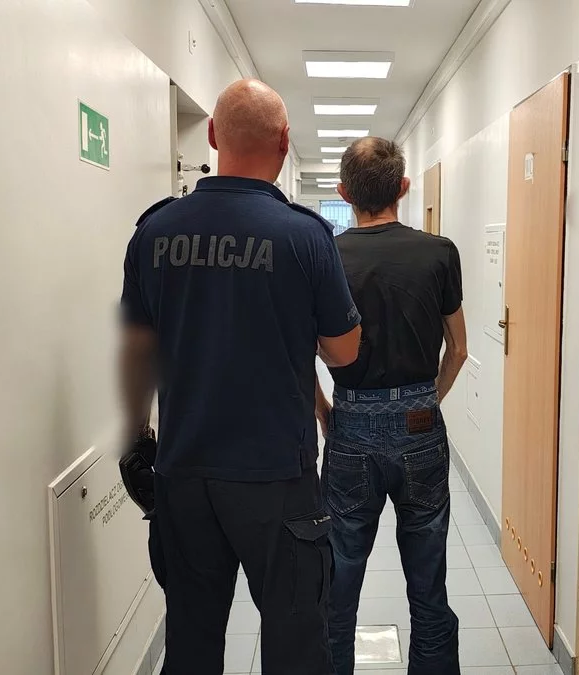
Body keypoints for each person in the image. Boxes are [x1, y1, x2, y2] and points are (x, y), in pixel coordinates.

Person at [119, 78, 362, 675]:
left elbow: (135, 352)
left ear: (211, 134)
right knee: (296, 642)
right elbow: (345, 352)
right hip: (276, 477)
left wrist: (136, 439)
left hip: (184, 470)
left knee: (192, 639)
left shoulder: (154, 232)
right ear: (284, 140)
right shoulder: (305, 236)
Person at [315, 137, 469, 675]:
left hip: (350, 425)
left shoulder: (326, 256)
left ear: (343, 193)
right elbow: (459, 350)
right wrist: (425, 404)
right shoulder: (439, 252)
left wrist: (327, 413)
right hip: (421, 426)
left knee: (338, 584)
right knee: (428, 584)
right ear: (403, 188)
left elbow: (297, 353)